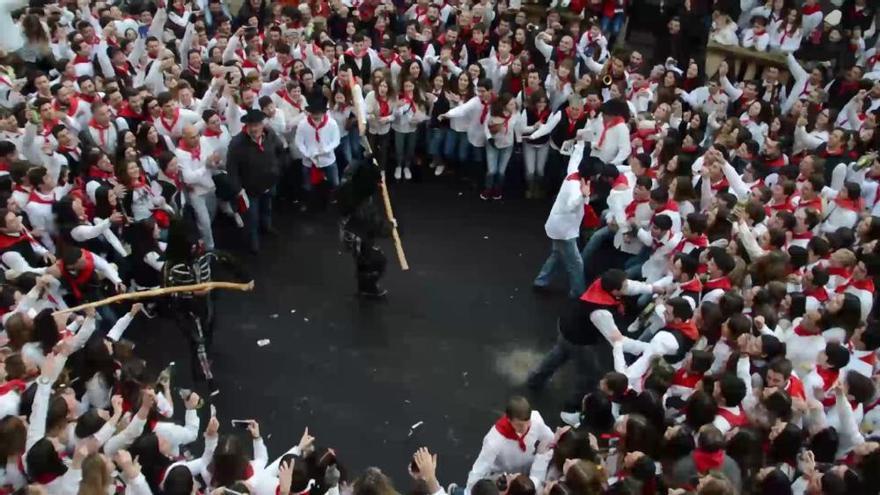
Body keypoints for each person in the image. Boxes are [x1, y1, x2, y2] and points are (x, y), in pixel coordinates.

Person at [226, 109, 284, 253]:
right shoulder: (236, 144)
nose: (254, 129)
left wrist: (276, 170)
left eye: (257, 125)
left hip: (269, 183)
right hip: (249, 190)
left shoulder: (270, 135)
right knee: (251, 218)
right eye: (250, 125)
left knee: (267, 208)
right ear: (246, 126)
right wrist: (239, 190)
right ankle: (253, 243)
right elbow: (231, 170)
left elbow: (279, 149)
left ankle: (266, 227)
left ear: (262, 124)